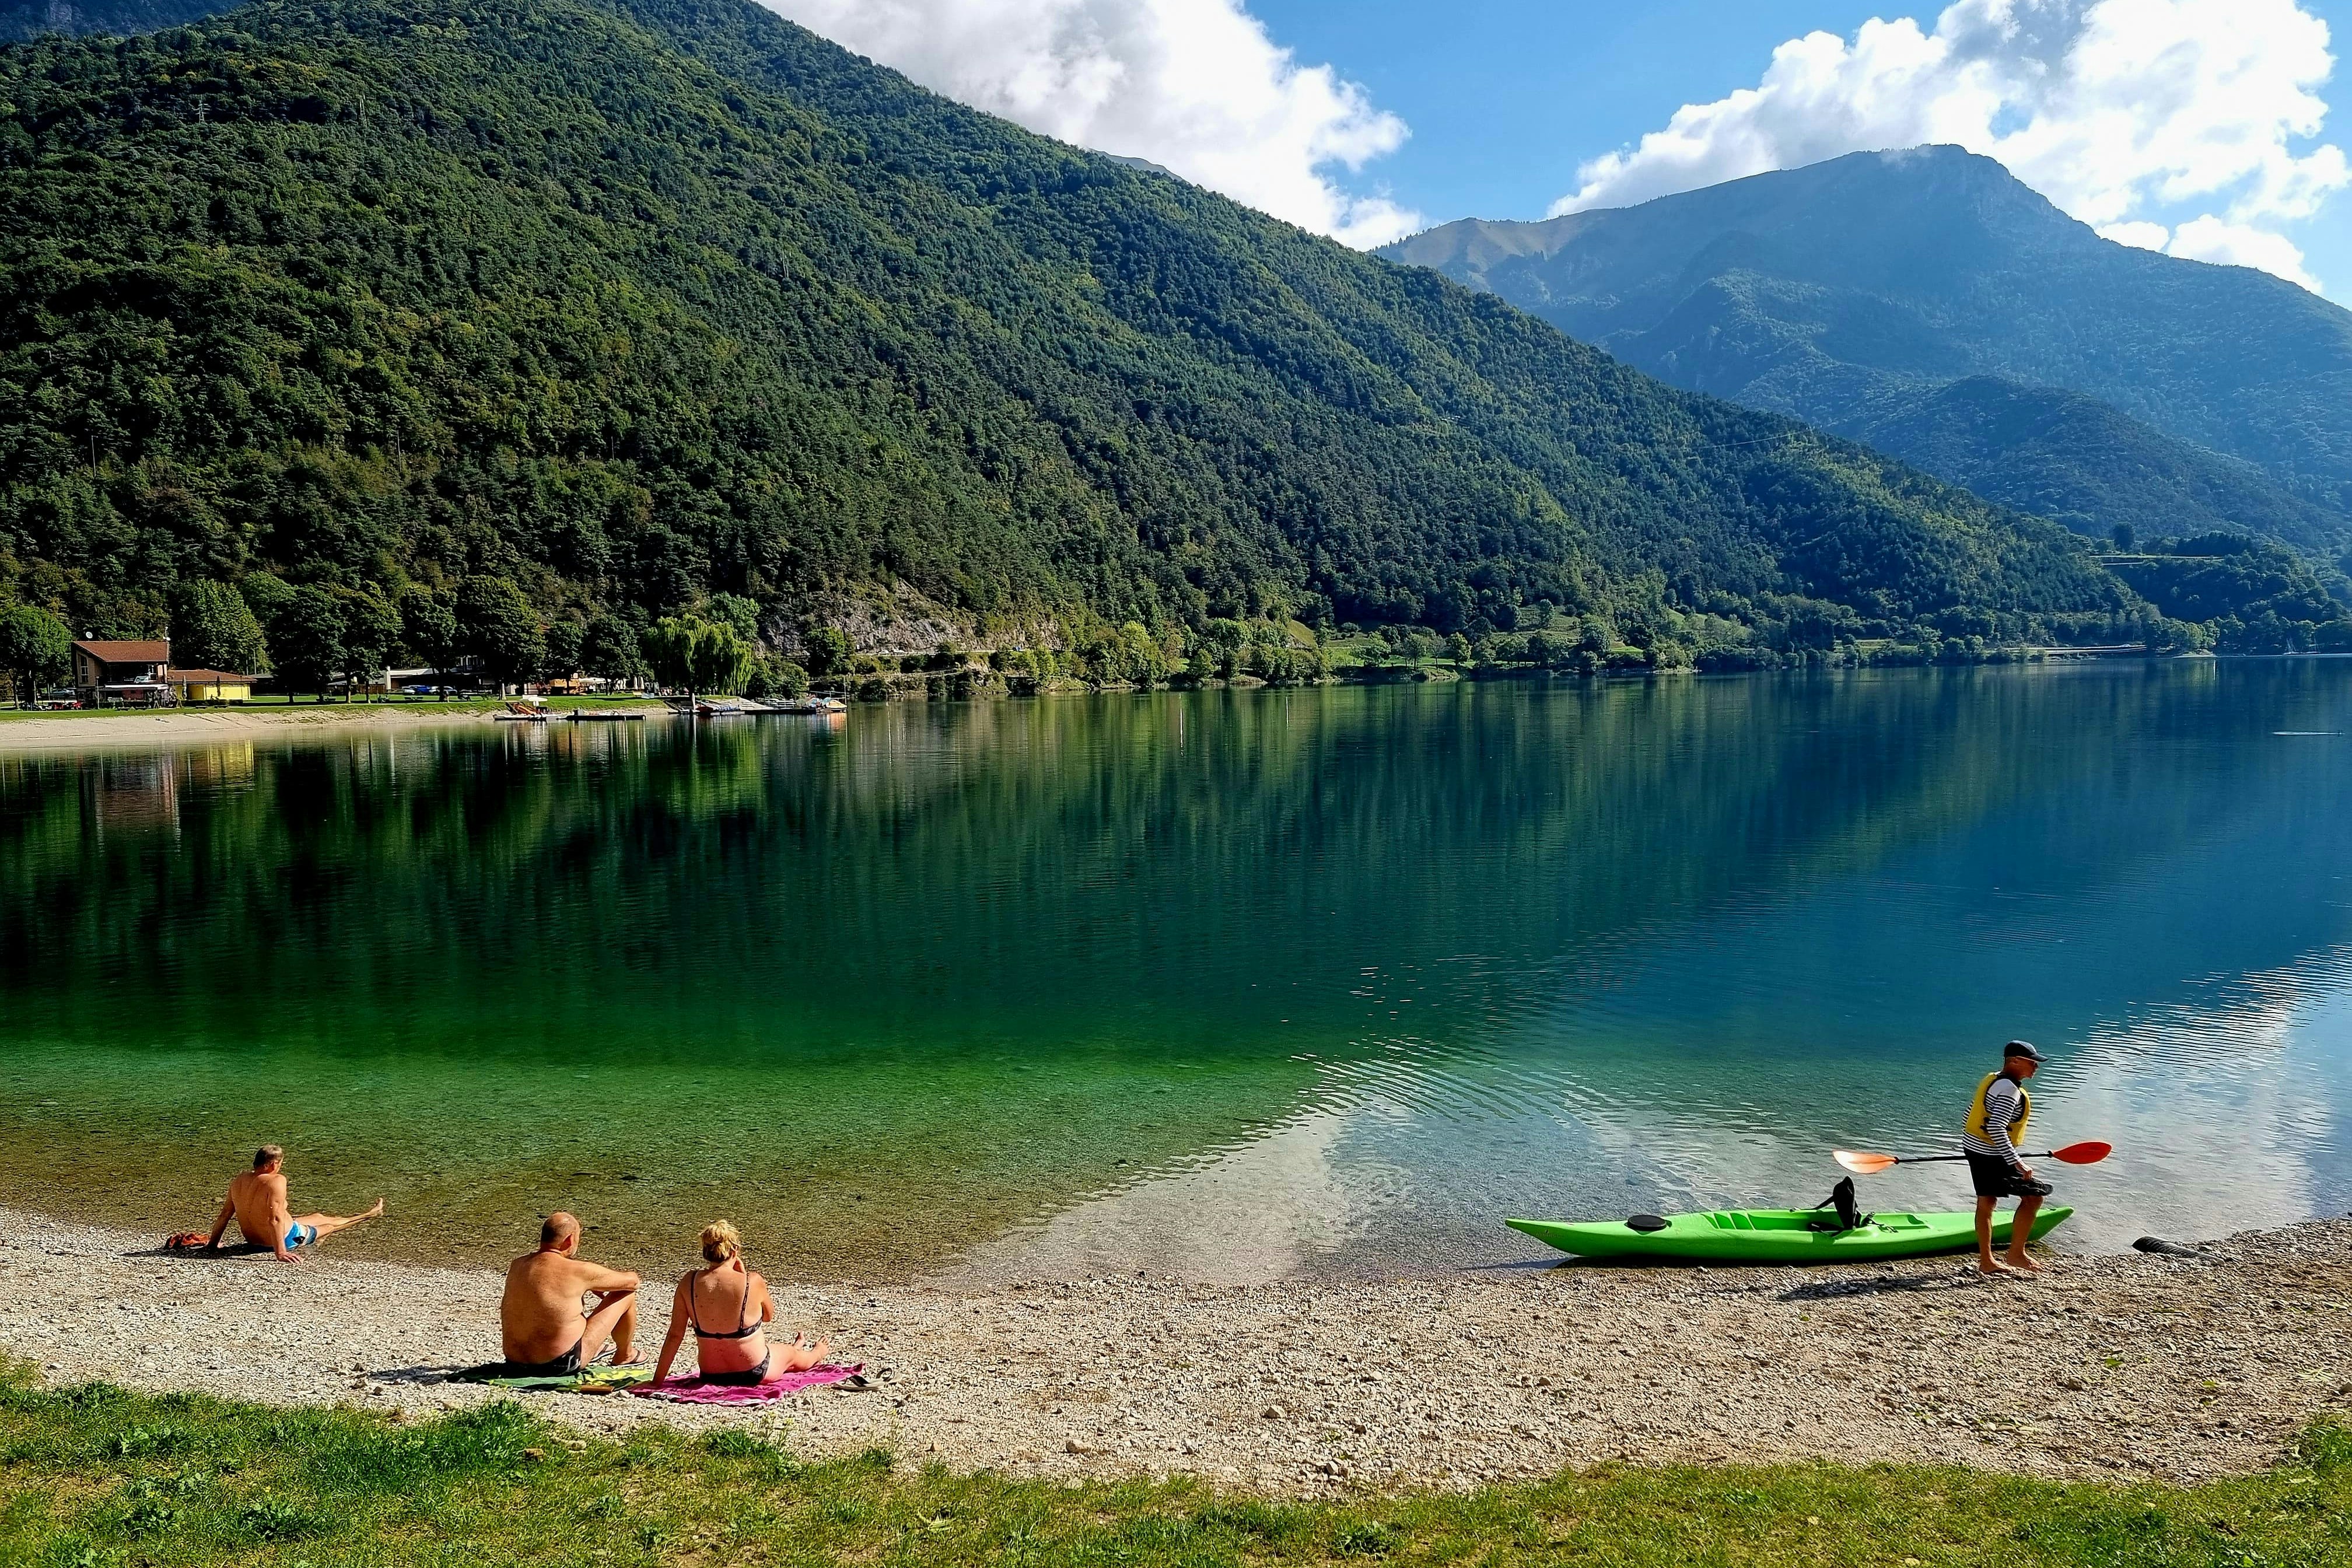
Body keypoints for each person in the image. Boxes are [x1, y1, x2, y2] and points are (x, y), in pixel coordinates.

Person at [651, 1221, 830, 1386]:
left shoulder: (688, 1282)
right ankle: (817, 1352)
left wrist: (657, 1381)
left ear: (706, 1252)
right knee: (790, 1355)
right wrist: (743, 1274)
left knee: (781, 1352)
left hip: (711, 1374)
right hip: (755, 1371)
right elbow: (768, 1316)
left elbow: (675, 1335)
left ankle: (793, 1349)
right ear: (735, 1251)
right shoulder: (752, 1281)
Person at [499, 1212, 642, 1376]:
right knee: (626, 1294)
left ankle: (596, 1348)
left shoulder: (518, 1265)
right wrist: (596, 1281)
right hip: (559, 1364)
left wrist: (591, 1283)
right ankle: (625, 1355)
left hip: (515, 1362)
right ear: (570, 1240)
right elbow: (633, 1281)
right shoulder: (578, 1271)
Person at [1964, 1040, 2054, 1276]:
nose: (2036, 1067)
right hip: (1991, 1156)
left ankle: (1988, 1261)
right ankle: (2015, 1255)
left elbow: (1971, 1112)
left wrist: (1974, 1146)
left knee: (1987, 1203)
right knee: (2034, 1197)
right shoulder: (2010, 1090)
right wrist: (2017, 1161)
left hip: (1977, 1150)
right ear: (2014, 1061)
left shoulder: (1994, 1079)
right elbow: (1996, 1128)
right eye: (2031, 1062)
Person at [204, 1144, 383, 1264]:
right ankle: (369, 1215)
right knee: (329, 1226)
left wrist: (212, 1245)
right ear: (273, 1164)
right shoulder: (276, 1181)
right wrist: (280, 1253)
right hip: (286, 1239)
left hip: (253, 1240)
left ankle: (366, 1214)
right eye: (280, 1163)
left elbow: (225, 1214)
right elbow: (275, 1219)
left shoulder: (240, 1180)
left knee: (318, 1217)